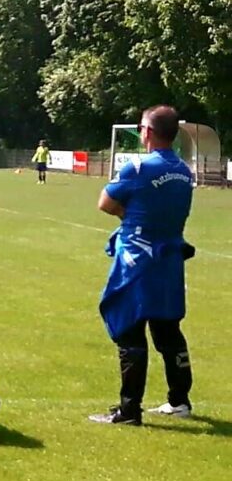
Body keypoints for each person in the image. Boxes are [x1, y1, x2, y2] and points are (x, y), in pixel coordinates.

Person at [90, 105, 195, 425]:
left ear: (147, 132)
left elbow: (105, 203)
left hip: (137, 261)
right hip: (170, 259)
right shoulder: (184, 171)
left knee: (129, 329)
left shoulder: (138, 167)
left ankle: (129, 409)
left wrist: (129, 216)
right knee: (168, 330)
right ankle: (179, 401)